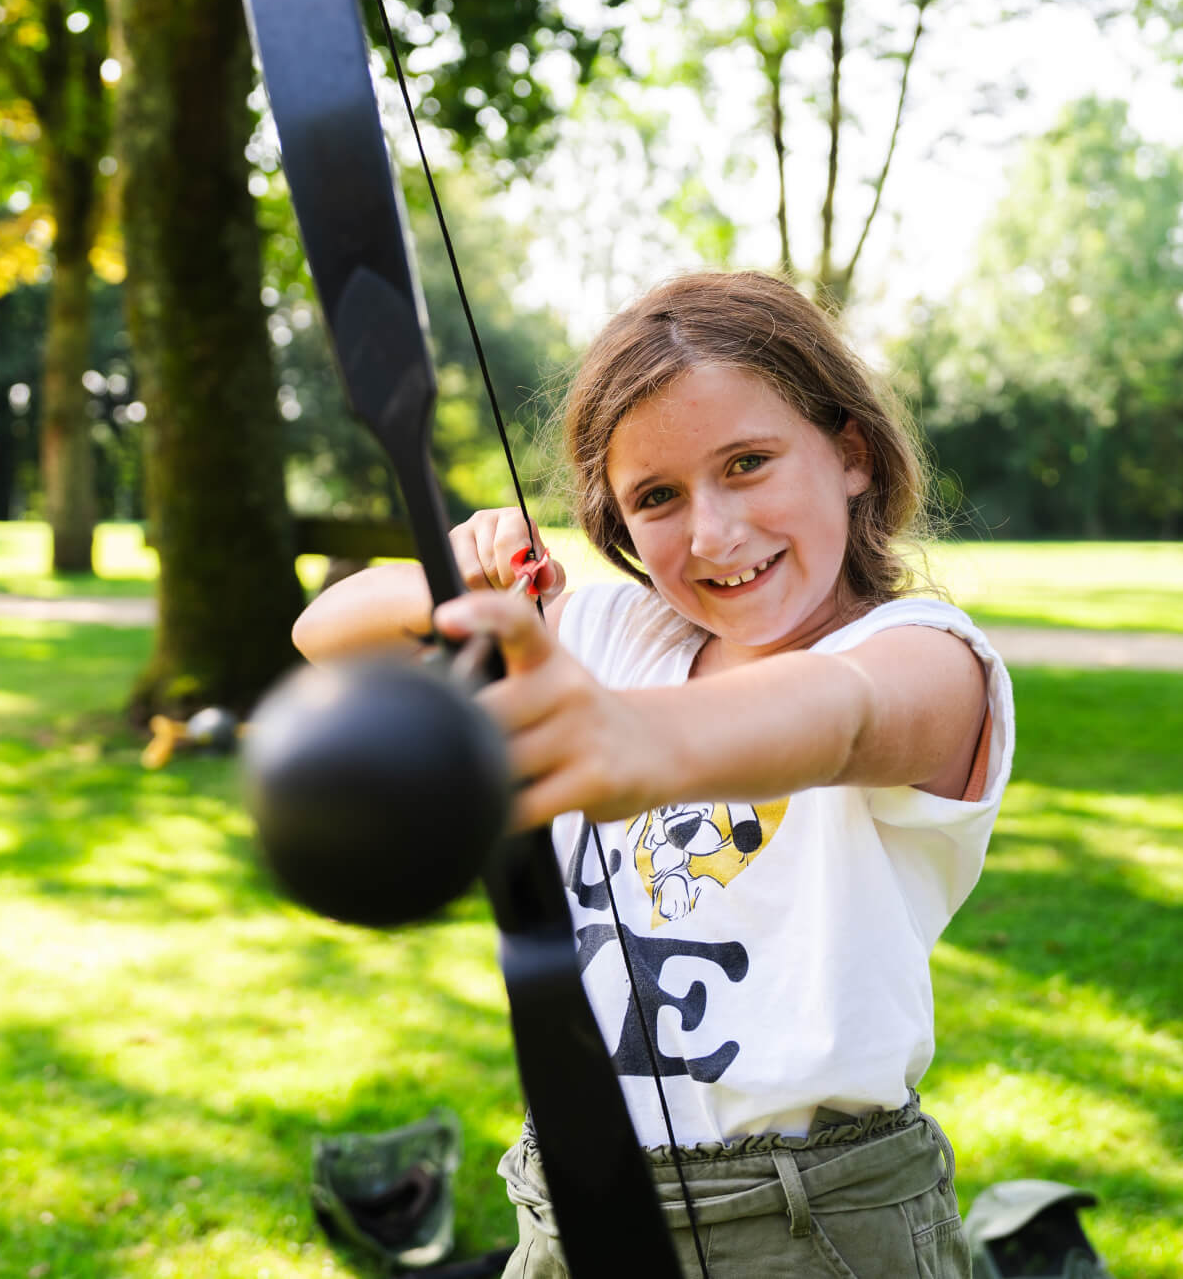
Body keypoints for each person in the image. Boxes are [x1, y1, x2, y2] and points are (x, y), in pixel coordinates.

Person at [293, 270, 1015, 1278]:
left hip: (810, 1224)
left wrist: (629, 739)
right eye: (657, 496)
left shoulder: (928, 656)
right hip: (574, 1197)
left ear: (849, 452)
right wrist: (454, 574)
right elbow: (322, 633)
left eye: (747, 463)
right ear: (615, 523)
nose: (713, 532)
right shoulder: (609, 633)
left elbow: (842, 714)